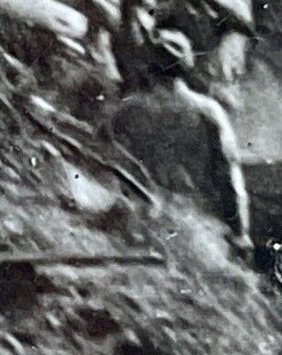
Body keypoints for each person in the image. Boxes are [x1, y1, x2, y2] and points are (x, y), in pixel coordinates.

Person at [104, 29, 251, 250]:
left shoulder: (127, 111)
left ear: (148, 66)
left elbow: (105, 166)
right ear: (187, 66)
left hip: (141, 223)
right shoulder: (209, 112)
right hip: (197, 229)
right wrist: (240, 234)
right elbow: (228, 175)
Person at [163, 0, 255, 109]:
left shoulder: (234, 2)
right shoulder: (187, 2)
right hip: (203, 81)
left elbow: (240, 17)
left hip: (225, 82)